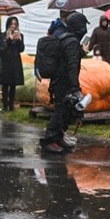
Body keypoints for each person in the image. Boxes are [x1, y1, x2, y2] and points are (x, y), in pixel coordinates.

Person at [40, 11, 89, 153]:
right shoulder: (72, 41)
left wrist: (81, 52)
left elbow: (67, 59)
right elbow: (71, 65)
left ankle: (58, 137)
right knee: (61, 111)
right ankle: (49, 140)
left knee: (65, 111)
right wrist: (75, 87)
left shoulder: (67, 39)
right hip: (64, 83)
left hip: (60, 81)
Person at [0, 15, 26, 112]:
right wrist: (9, 39)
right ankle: (5, 105)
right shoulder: (3, 35)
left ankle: (11, 105)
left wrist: (19, 40)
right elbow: (3, 48)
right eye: (11, 24)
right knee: (5, 84)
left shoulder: (20, 35)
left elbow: (21, 49)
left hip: (15, 61)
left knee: (13, 85)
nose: (13, 26)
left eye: (15, 24)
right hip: (6, 61)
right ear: (8, 25)